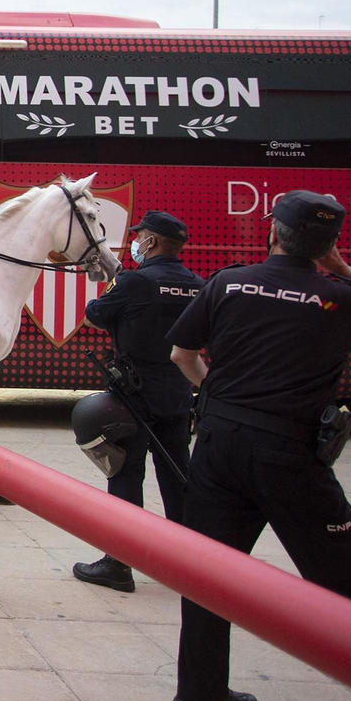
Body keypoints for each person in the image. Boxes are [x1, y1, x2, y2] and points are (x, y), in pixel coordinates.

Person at [168, 191, 351, 701]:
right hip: (291, 453)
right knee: (349, 588)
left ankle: (199, 696)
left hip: (219, 446)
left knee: (209, 575)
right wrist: (339, 266)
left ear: (272, 230)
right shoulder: (343, 297)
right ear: (328, 243)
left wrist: (216, 399)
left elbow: (182, 353)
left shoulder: (228, 282)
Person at [73, 210, 204, 593]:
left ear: (153, 242)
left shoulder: (136, 281)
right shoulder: (198, 284)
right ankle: (190, 564)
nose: (136, 241)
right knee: (178, 476)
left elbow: (97, 313)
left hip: (135, 394)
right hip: (179, 393)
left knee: (127, 475)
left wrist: (118, 290)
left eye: (140, 236)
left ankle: (119, 563)